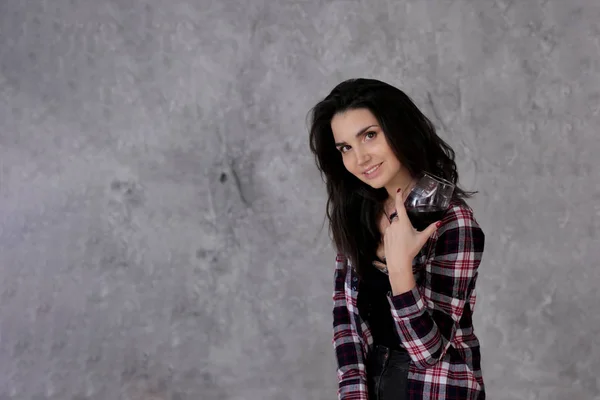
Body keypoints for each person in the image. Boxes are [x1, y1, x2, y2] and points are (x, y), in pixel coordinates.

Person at [307, 78, 486, 400]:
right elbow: (346, 321)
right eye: (346, 148)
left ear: (400, 130)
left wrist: (401, 267)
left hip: (434, 389)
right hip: (373, 383)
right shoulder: (358, 214)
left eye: (370, 136)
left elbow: (428, 352)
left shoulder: (453, 222)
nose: (359, 158)